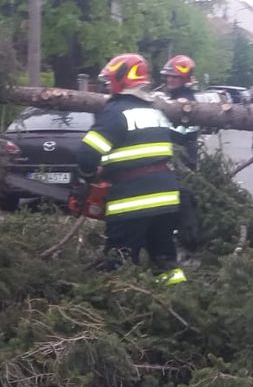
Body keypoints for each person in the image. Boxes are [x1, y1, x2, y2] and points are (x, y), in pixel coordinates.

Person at [76, 53, 187, 285]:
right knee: (165, 262)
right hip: (166, 198)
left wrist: (87, 178)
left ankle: (120, 308)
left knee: (119, 265)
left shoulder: (115, 112)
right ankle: (177, 301)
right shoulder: (155, 112)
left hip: (131, 201)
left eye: (109, 81)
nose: (107, 87)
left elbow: (87, 154)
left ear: (119, 80)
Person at [160, 54, 200, 169]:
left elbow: (176, 135)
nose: (170, 80)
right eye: (168, 76)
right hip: (178, 159)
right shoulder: (175, 97)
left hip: (181, 162)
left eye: (175, 77)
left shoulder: (185, 102)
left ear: (184, 79)